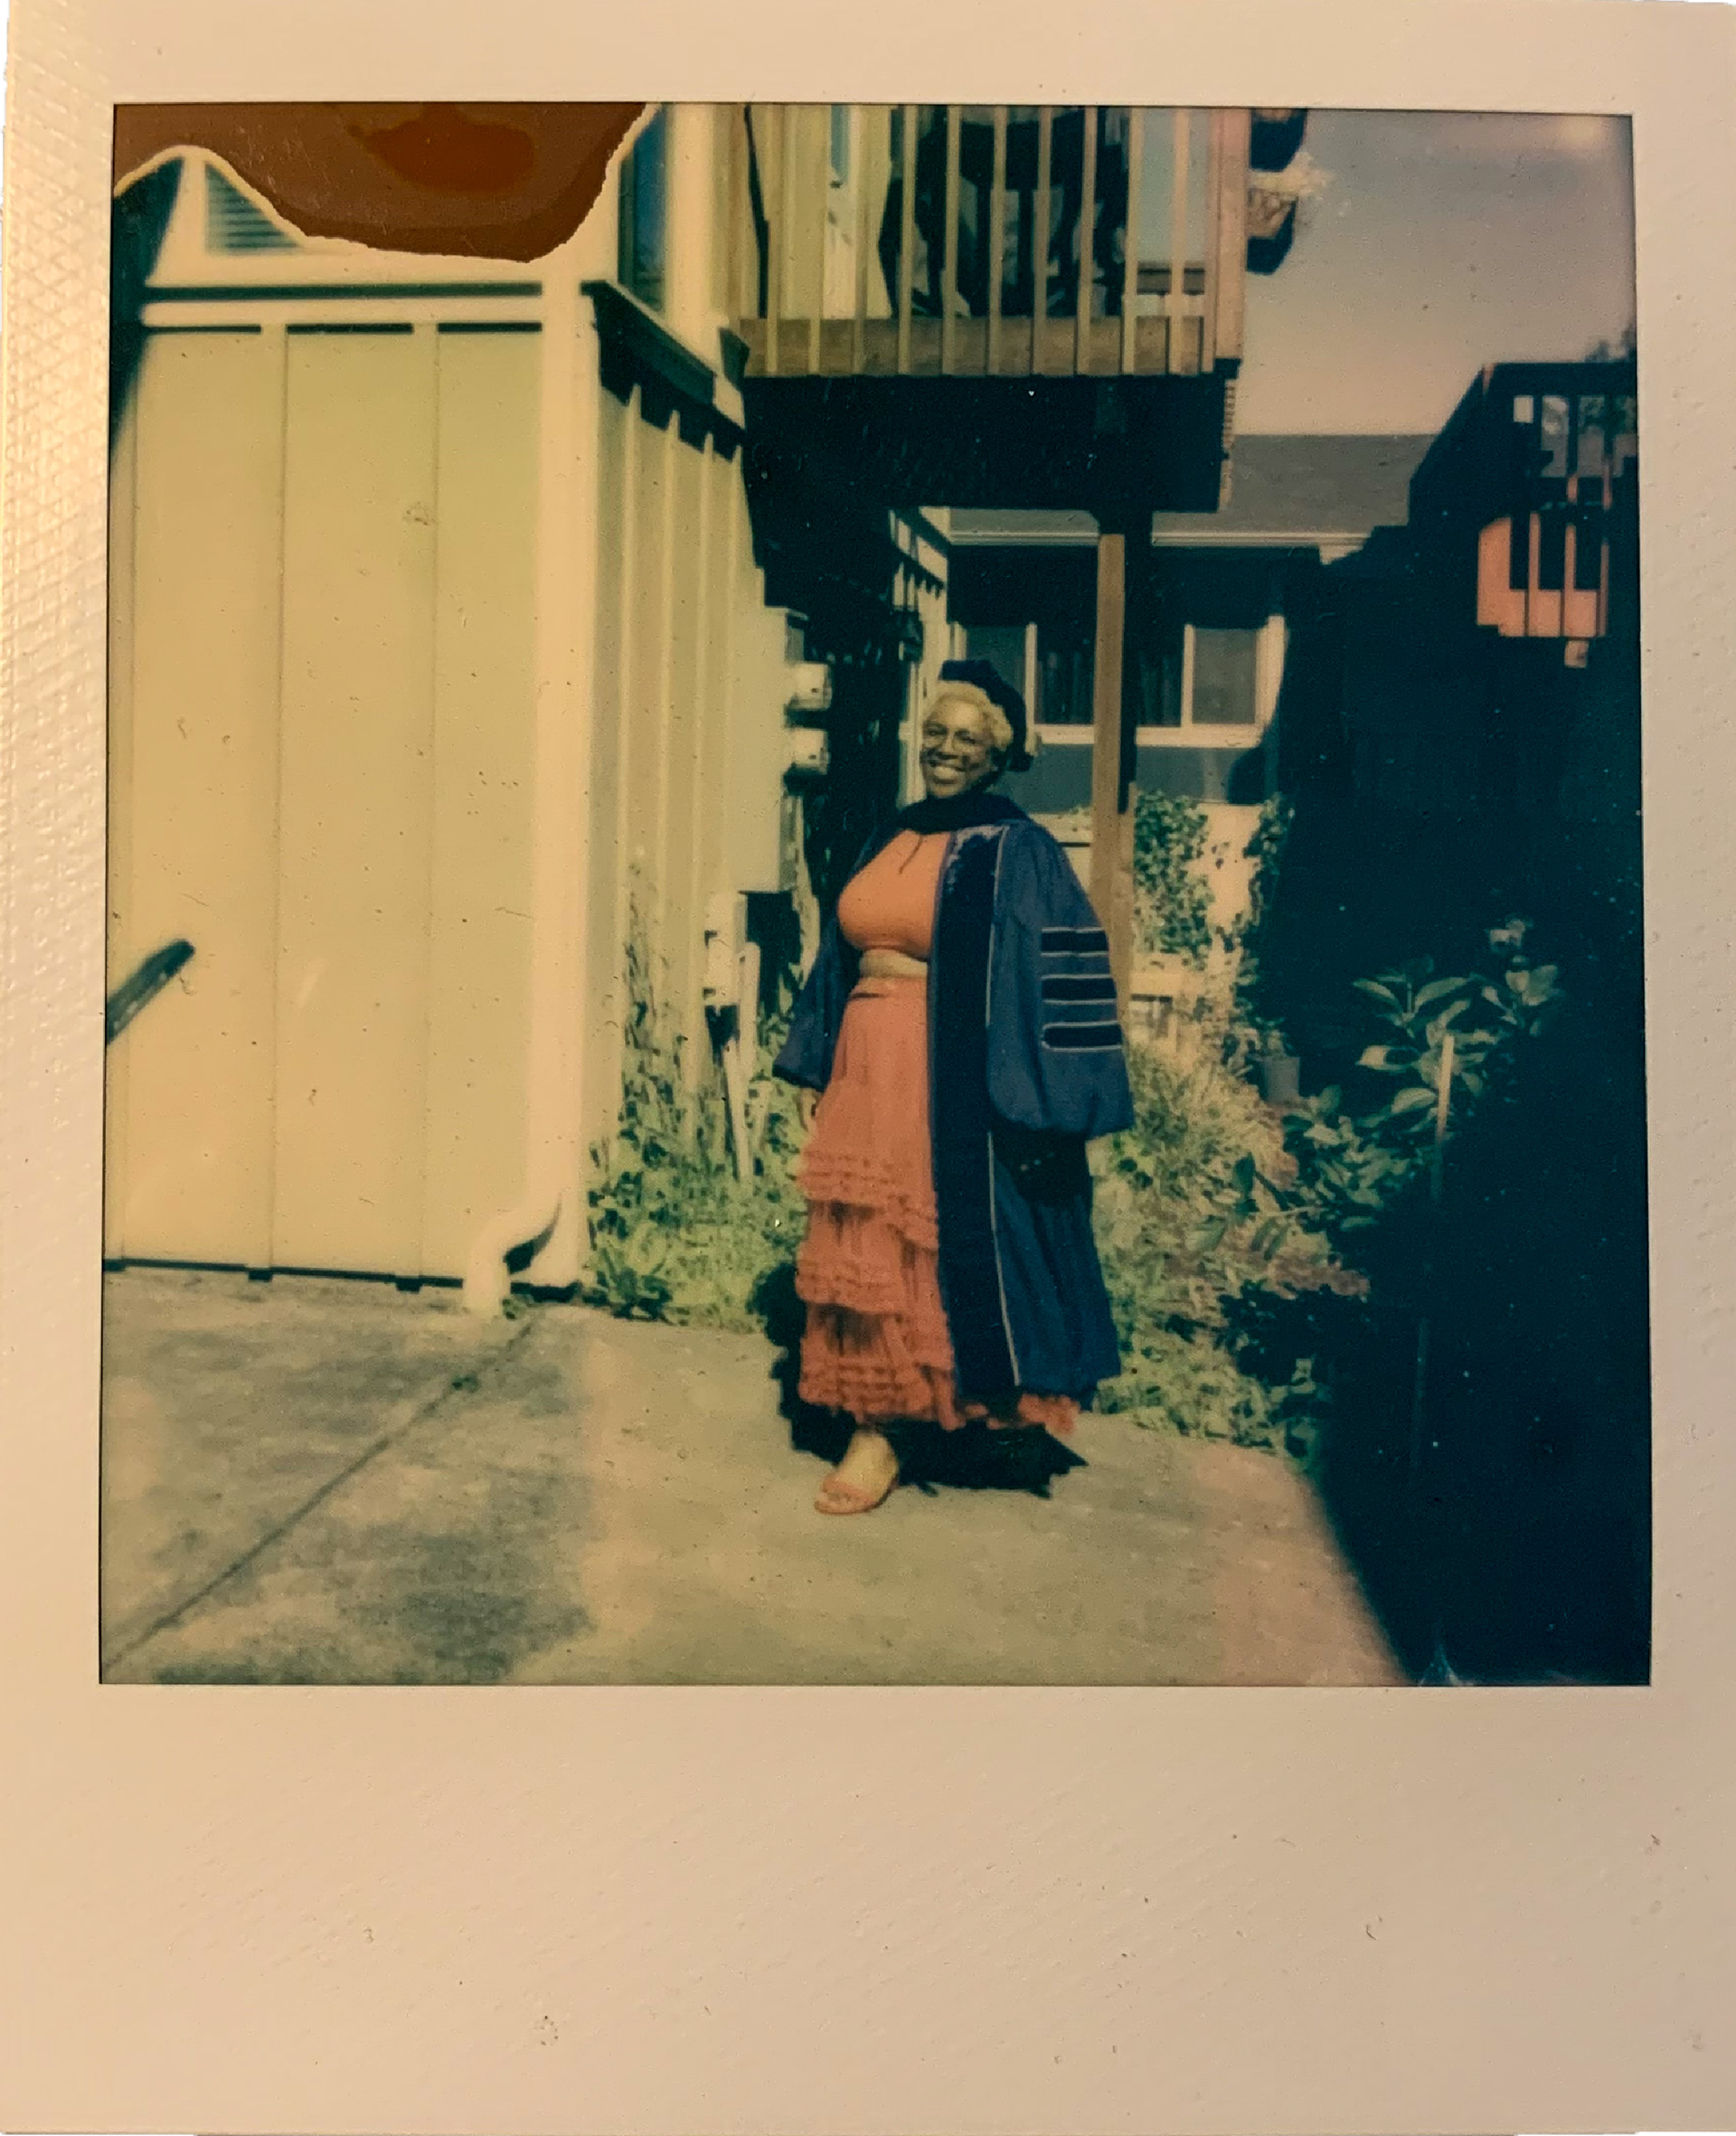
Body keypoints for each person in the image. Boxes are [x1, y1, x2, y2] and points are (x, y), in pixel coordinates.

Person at [774, 658, 1134, 1515]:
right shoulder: (891, 834)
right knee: (870, 1246)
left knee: (934, 1245)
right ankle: (880, 1422)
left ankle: (915, 1427)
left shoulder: (1017, 848)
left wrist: (1049, 1103)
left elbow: (1060, 973)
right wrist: (815, 1059)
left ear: (998, 755)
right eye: (934, 732)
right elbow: (838, 957)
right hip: (866, 1064)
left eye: (967, 739)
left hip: (951, 1079)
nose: (944, 749)